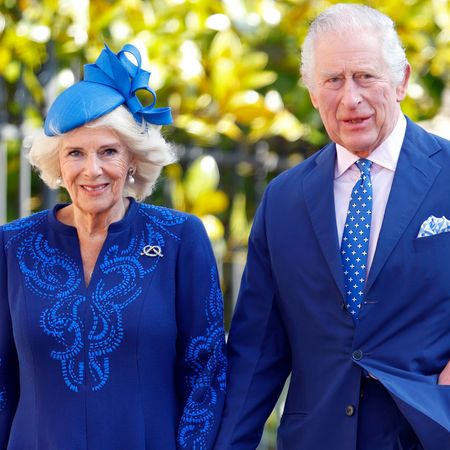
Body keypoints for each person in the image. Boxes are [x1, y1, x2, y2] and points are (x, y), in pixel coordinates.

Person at [214, 4, 450, 450]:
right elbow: (256, 353)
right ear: (312, 90)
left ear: (401, 81)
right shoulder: (284, 200)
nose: (350, 98)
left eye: (365, 76)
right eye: (333, 80)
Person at [0, 43, 226, 450]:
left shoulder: (178, 238)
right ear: (57, 163)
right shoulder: (12, 245)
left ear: (133, 159)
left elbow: (205, 372)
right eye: (75, 153)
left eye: (108, 151)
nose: (92, 170)